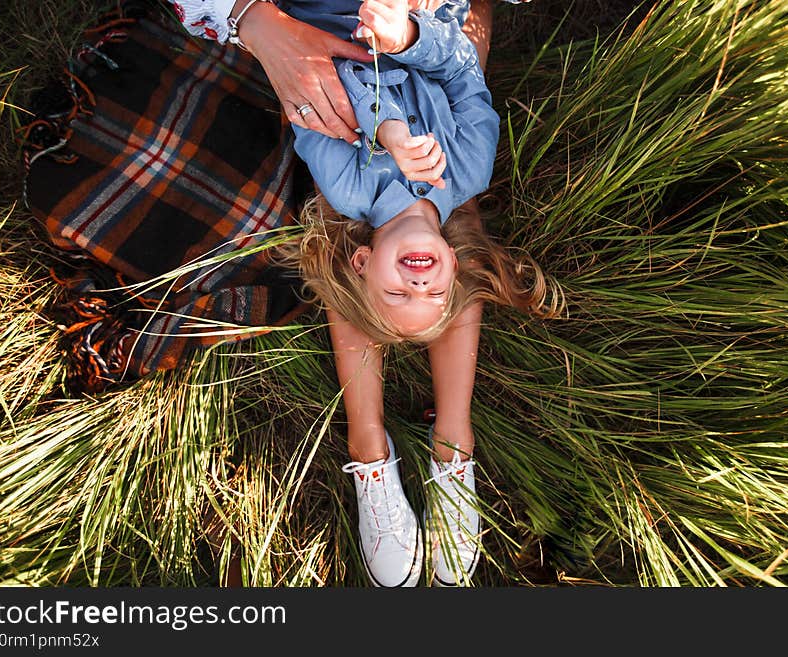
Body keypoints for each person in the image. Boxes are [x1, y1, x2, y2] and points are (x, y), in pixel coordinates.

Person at [167, 0, 555, 587]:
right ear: (452, 262)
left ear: (365, 261)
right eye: (436, 291)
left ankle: (390, 446)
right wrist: (414, 39)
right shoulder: (468, 170)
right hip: (421, 35)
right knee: (456, 205)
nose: (421, 285)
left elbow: (331, 93)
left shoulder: (351, 191)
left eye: (403, 293)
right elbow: (465, 82)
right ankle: (438, 441)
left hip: (338, 41)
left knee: (336, 209)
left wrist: (386, 130)